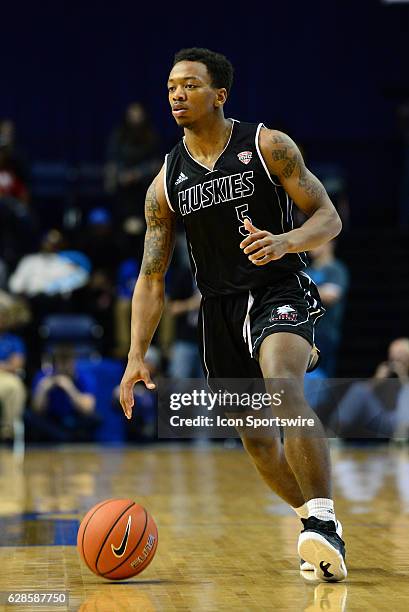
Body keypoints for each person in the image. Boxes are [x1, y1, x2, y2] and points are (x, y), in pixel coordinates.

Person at [119, 48, 345, 581]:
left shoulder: (268, 146)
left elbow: (328, 217)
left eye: (191, 85)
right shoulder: (165, 183)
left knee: (282, 386)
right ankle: (313, 523)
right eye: (172, 85)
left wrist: (288, 241)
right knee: (258, 442)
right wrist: (135, 355)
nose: (177, 93)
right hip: (218, 309)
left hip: (277, 289)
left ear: (220, 94)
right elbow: (151, 278)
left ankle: (326, 519)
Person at [306, 240, 349, 376]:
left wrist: (303, 293)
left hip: (324, 333)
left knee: (318, 378)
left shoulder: (336, 269)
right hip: (305, 331)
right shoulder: (305, 271)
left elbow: (331, 295)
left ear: (329, 243)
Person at [0, 302, 26, 441]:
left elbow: (16, 365)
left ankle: (7, 432)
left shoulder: (14, 341)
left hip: (6, 378)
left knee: (15, 386)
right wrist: (5, 364)